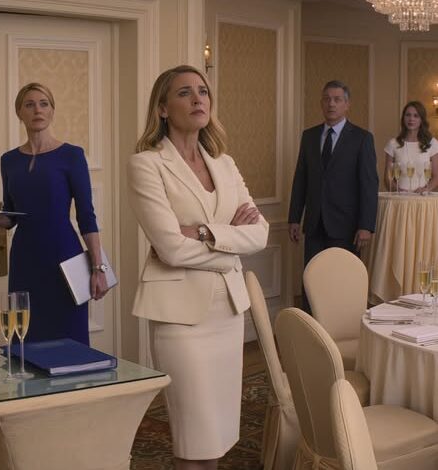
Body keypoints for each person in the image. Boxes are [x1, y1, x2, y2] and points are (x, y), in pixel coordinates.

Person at [128, 65, 268, 470]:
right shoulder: (146, 165)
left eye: (203, 91)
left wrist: (203, 232)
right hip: (180, 320)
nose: (197, 99)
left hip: (228, 314)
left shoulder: (225, 163)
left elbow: (259, 234)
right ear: (162, 109)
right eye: (184, 92)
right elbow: (171, 248)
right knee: (194, 440)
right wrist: (229, 241)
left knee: (219, 438)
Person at [0, 82, 107, 345]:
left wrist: (98, 268)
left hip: (64, 257)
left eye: (44, 104)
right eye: (29, 105)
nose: (37, 110)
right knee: (26, 337)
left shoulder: (72, 155)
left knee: (69, 339)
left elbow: (87, 217)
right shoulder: (9, 160)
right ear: (19, 112)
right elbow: (13, 216)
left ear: (52, 111)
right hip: (25, 259)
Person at [288, 80, 378, 307]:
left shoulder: (362, 138)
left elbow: (369, 185)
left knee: (342, 283)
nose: (331, 104)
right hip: (314, 225)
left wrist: (366, 226)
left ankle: (342, 326)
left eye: (337, 100)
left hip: (347, 227)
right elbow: (301, 180)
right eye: (327, 99)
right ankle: (309, 326)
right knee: (311, 282)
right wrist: (294, 218)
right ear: (321, 103)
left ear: (347, 104)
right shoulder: (309, 136)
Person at [384, 101, 438, 193]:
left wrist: (426, 190)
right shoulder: (393, 144)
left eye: (416, 116)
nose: (411, 119)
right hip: (400, 198)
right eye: (408, 115)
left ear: (422, 120)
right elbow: (387, 178)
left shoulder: (432, 143)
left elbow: (436, 177)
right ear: (403, 118)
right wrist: (397, 190)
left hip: (423, 198)